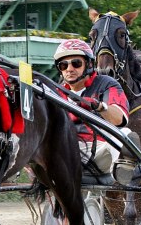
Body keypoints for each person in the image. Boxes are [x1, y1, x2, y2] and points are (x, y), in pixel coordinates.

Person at [55, 39, 130, 174]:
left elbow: (119, 119)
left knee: (126, 134)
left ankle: (121, 173)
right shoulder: (56, 92)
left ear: (89, 64)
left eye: (76, 63)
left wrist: (98, 106)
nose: (69, 69)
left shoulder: (106, 83)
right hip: (66, 151)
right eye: (63, 65)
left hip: (100, 152)